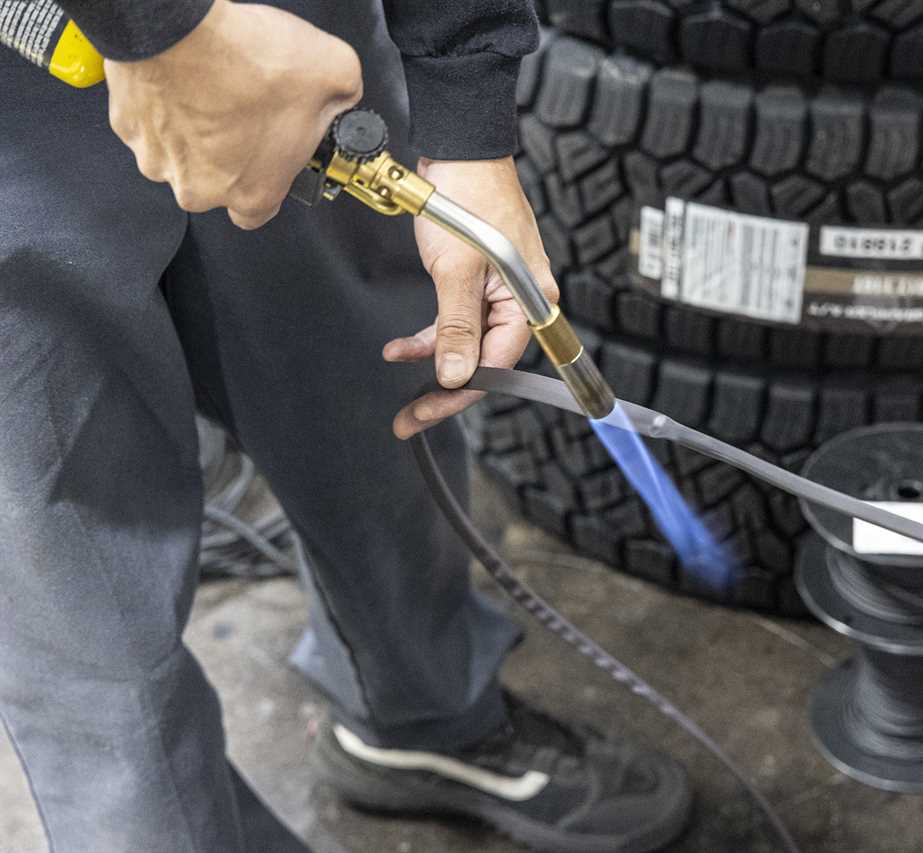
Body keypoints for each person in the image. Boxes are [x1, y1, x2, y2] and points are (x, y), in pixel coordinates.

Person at [0, 0, 692, 851]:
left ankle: (428, 720)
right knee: (92, 615)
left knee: (374, 409)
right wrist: (157, 27)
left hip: (291, 47)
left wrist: (465, 106)